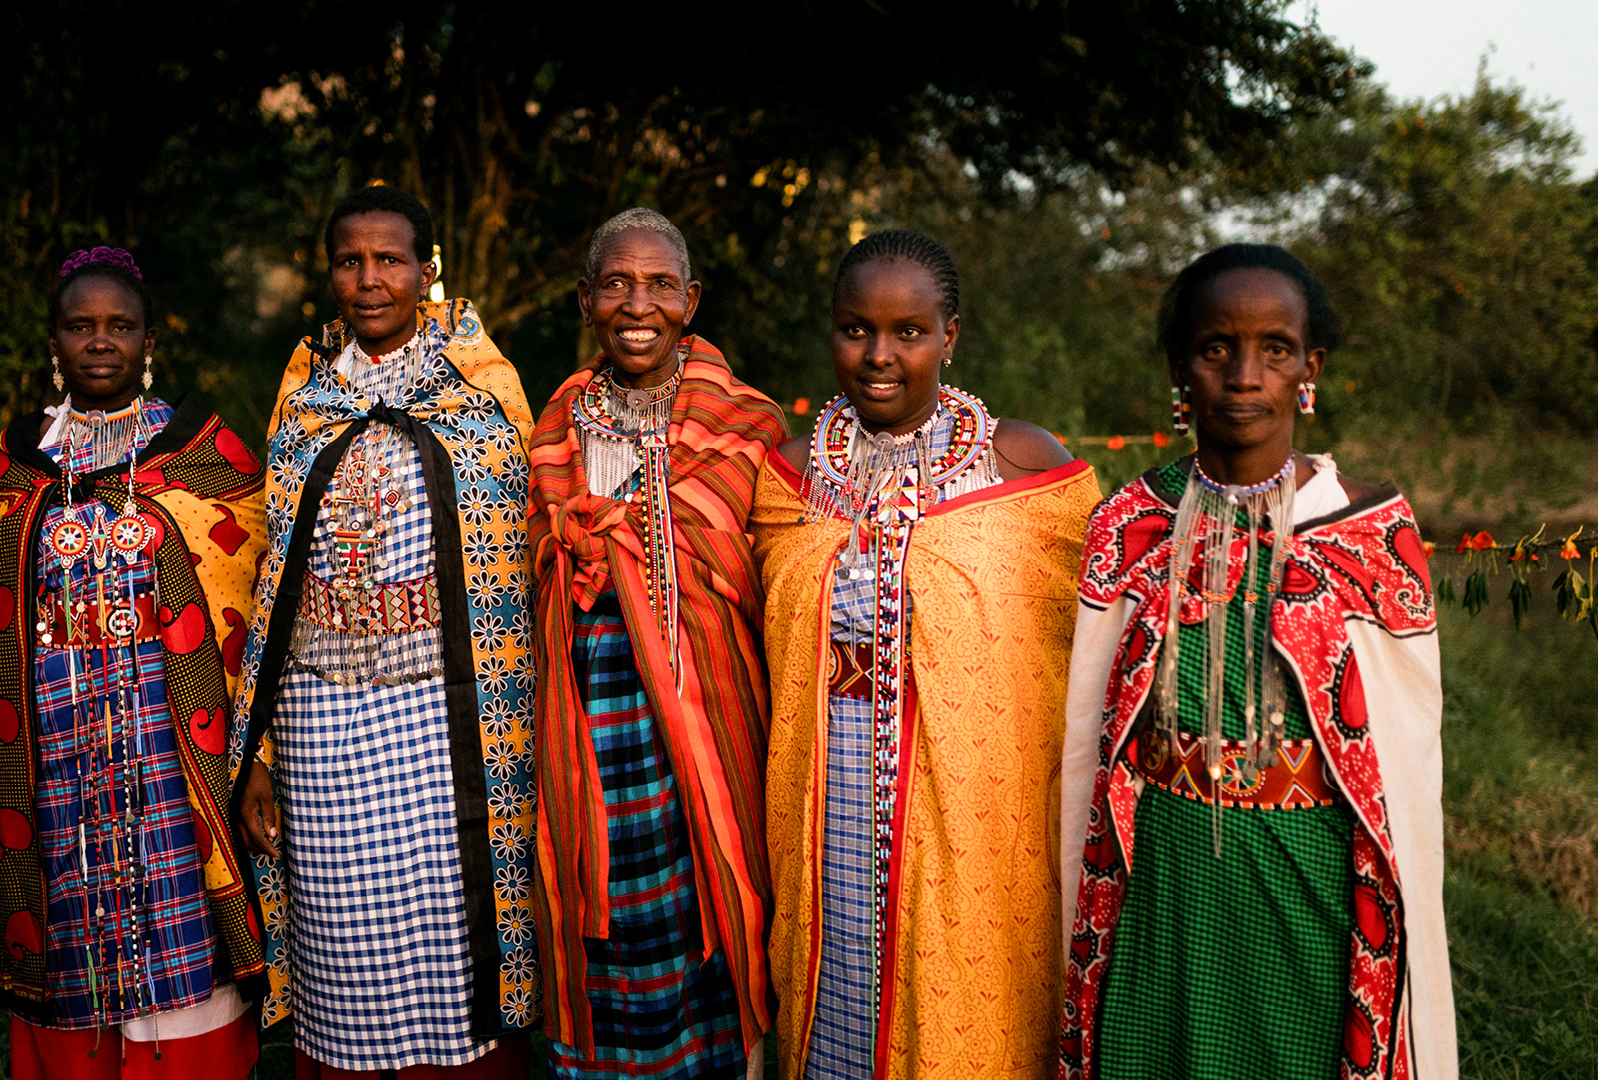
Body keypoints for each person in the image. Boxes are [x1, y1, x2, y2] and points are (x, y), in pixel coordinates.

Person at [1057, 244, 1455, 1079]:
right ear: (1180, 369)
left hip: (1303, 872)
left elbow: (1404, 771)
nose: (1245, 375)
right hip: (1161, 874)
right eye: (1216, 349)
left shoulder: (1368, 541)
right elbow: (1087, 730)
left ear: (1308, 369)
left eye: (1274, 349)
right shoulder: (1131, 525)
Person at [750, 229, 1098, 1079]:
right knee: (832, 1004)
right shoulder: (786, 478)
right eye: (855, 329)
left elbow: (1087, 648)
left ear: (950, 336)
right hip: (823, 798)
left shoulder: (1021, 466)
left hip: (975, 820)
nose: (879, 355)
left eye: (908, 332)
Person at [226, 185, 538, 1078]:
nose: (370, 280)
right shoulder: (304, 400)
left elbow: (513, 569)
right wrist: (266, 756)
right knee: (342, 950)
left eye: (390, 260)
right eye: (350, 262)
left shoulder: (483, 397)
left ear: (427, 272)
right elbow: (275, 584)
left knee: (452, 946)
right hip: (322, 727)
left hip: (446, 734)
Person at [0, 246, 276, 1079]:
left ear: (149, 340)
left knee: (180, 922)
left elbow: (248, 607)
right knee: (68, 923)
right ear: (53, 343)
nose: (101, 341)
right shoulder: (6, 472)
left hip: (173, 753)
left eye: (120, 325)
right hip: (53, 755)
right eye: (80, 325)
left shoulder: (211, 459)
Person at [527, 208, 780, 1080]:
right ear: (587, 298)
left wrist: (616, 537)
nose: (640, 304)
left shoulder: (747, 426)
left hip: (702, 730)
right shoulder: (556, 423)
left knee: (703, 917)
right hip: (584, 725)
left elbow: (768, 584)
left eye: (662, 284)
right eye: (618, 284)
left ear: (692, 299)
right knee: (605, 926)